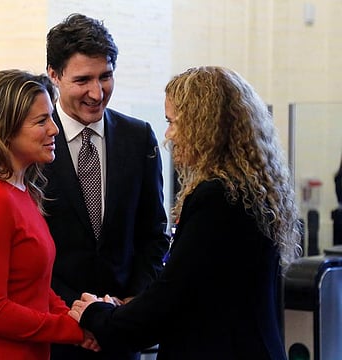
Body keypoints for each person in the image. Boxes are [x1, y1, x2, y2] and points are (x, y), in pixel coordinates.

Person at [69, 66, 302, 360]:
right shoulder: (248, 189)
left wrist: (96, 315)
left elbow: (174, 297)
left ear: (202, 126)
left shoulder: (217, 197)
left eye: (173, 122)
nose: (169, 135)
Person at [0, 69, 99, 360]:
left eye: (51, 116)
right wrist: (71, 329)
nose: (54, 129)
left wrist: (75, 318)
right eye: (41, 121)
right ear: (4, 131)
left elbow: (35, 286)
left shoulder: (21, 192)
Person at [44, 13, 170, 360]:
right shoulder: (31, 142)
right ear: (54, 75)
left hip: (120, 329)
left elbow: (154, 232)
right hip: (55, 332)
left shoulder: (138, 136)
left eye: (106, 77)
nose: (97, 93)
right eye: (83, 79)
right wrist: (76, 313)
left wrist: (130, 302)